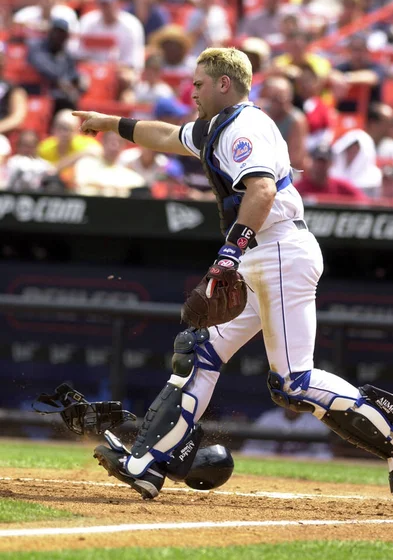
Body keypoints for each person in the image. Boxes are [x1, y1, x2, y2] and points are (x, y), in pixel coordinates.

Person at [74, 47, 393, 500]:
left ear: (224, 84)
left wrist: (229, 254)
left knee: (293, 383)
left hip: (279, 249)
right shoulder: (215, 127)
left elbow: (261, 190)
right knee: (198, 351)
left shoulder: (244, 127)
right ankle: (147, 462)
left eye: (199, 83)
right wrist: (109, 123)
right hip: (261, 255)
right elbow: (165, 134)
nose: (192, 90)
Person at [295, 143, 368, 201]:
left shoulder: (342, 186)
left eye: (324, 162)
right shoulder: (298, 188)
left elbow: (364, 203)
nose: (320, 166)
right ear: (310, 161)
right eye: (317, 161)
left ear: (331, 163)